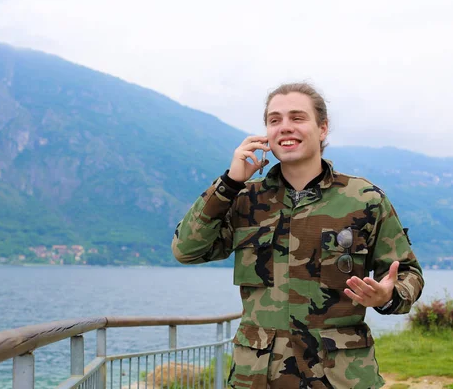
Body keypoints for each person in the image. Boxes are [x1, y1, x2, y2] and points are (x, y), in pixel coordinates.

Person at [172, 83, 424, 389]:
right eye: (274, 120)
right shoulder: (243, 198)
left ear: (322, 129)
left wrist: (388, 296)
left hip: (340, 377)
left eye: (297, 117)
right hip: (258, 377)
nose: (285, 127)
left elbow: (407, 274)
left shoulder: (364, 199)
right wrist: (229, 182)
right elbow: (186, 250)